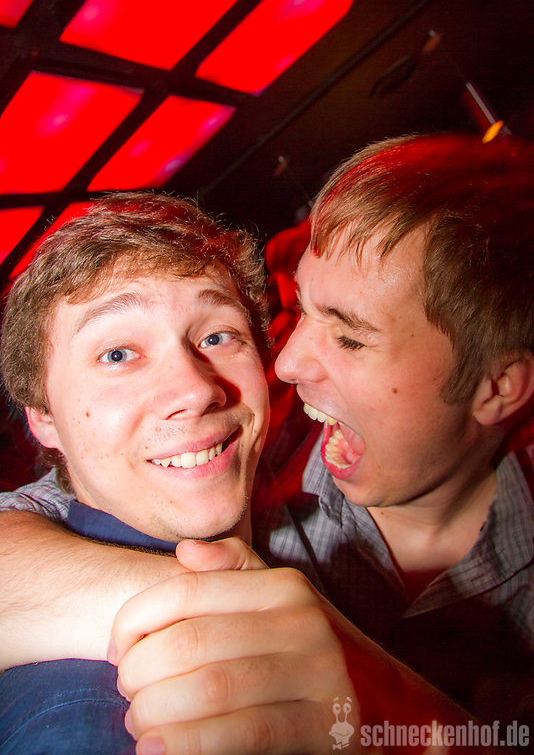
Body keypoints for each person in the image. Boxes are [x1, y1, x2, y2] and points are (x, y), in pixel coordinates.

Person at [1, 133, 533, 754]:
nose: (286, 365)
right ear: (41, 417)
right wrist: (231, 613)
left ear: (498, 387)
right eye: (300, 311)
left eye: (351, 338)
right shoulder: (257, 448)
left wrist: (414, 721)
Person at [0, 191, 271, 753]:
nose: (195, 390)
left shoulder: (301, 527)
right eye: (118, 354)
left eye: (216, 336)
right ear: (44, 418)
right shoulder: (94, 716)